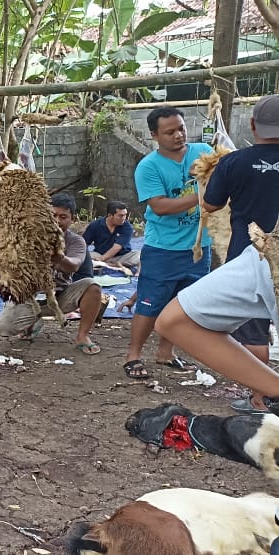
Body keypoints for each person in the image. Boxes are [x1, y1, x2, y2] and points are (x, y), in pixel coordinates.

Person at [122, 106, 212, 380]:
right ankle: (133, 355)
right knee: (150, 304)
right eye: (169, 132)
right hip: (163, 248)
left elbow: (226, 174)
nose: (178, 135)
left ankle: (165, 352)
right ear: (154, 135)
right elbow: (160, 206)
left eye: (181, 128)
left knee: (183, 304)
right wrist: (203, 198)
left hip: (198, 247)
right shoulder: (148, 167)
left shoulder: (203, 152)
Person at [202, 95, 279, 413]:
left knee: (254, 330)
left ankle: (261, 398)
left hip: (251, 258)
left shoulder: (232, 162)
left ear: (251, 125)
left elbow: (210, 205)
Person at [154, 243, 279, 414]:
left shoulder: (266, 255)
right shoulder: (265, 256)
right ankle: (261, 400)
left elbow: (175, 322)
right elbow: (175, 322)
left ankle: (261, 400)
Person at [0, 194, 106, 354]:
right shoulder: (29, 236)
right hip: (30, 297)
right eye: (52, 215)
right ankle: (33, 322)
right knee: (3, 328)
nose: (57, 221)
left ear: (72, 219)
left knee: (92, 286)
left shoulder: (76, 241)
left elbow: (73, 266)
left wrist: (59, 257)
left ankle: (82, 336)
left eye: (63, 217)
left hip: (61, 295)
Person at [82, 201, 141, 271]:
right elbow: (83, 244)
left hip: (123, 257)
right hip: (99, 255)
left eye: (125, 215)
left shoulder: (127, 227)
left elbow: (117, 247)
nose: (124, 218)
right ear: (110, 215)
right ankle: (114, 265)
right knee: (83, 256)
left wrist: (101, 259)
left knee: (141, 255)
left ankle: (105, 264)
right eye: (120, 215)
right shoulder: (95, 225)